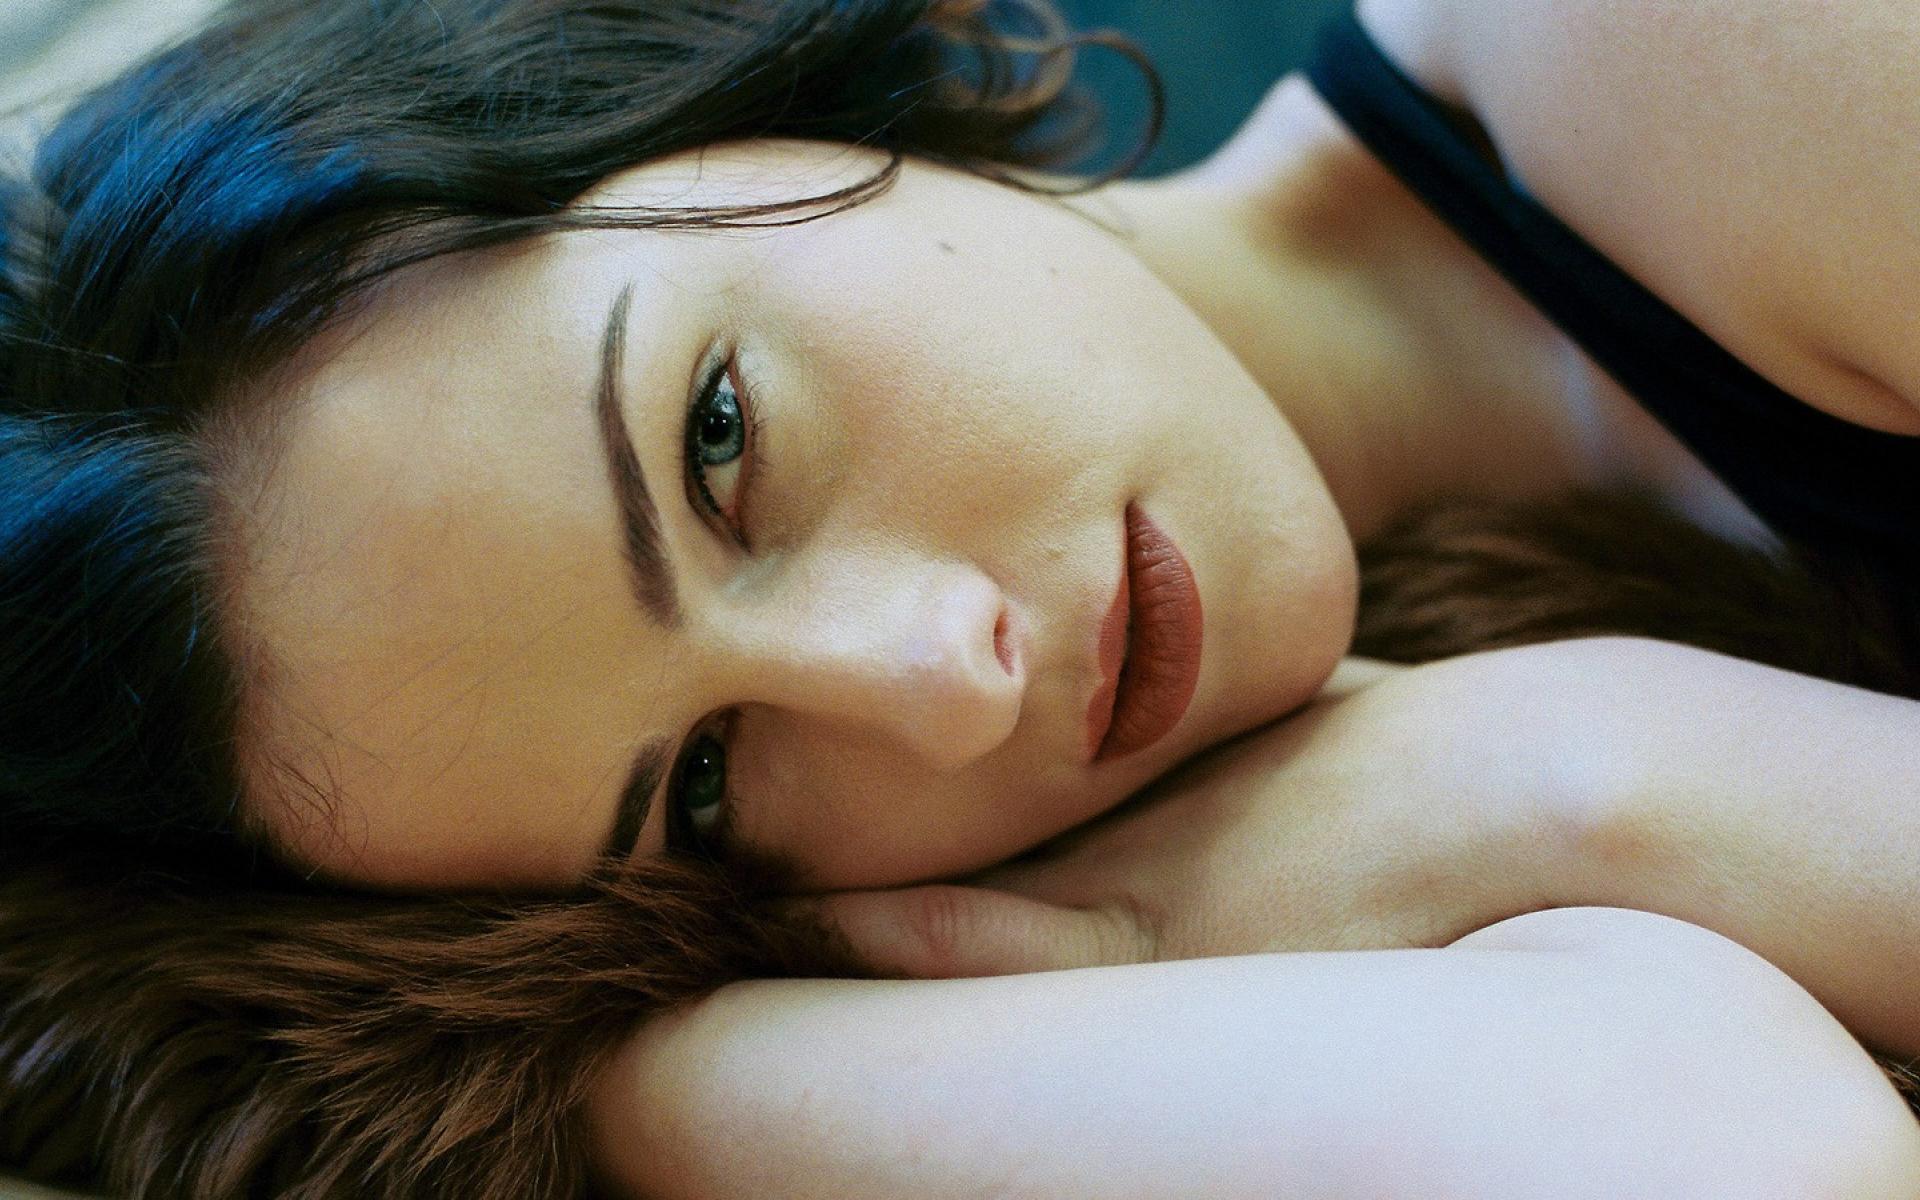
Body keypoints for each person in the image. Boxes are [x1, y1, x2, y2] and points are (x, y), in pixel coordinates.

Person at [0, 0, 1916, 1196]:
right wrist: (654, 1086)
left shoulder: (1692, 57)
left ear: (698, 98)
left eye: (721, 439)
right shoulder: (1191, 885)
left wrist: (1545, 778)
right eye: (703, 788)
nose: (942, 683)